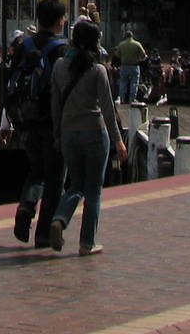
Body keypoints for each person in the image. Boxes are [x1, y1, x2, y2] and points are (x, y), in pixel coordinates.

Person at [48, 19, 125, 257]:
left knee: (75, 185)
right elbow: (108, 108)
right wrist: (119, 139)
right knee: (93, 190)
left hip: (69, 132)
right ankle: (87, 243)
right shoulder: (98, 70)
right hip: (94, 132)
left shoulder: (59, 66)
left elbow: (55, 104)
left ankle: (60, 218)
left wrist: (57, 134)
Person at [10, 0, 69, 248]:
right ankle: (44, 233)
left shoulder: (24, 45)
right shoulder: (62, 49)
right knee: (55, 176)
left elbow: (11, 80)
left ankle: (25, 208)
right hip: (53, 121)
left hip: (26, 119)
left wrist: (10, 118)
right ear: (60, 21)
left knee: (36, 171)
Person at [114, 27, 147, 104]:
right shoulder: (137, 44)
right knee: (134, 83)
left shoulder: (121, 44)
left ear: (125, 36)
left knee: (123, 82)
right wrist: (139, 59)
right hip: (134, 66)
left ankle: (122, 98)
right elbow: (144, 55)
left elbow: (117, 55)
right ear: (132, 36)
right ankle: (132, 99)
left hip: (124, 66)